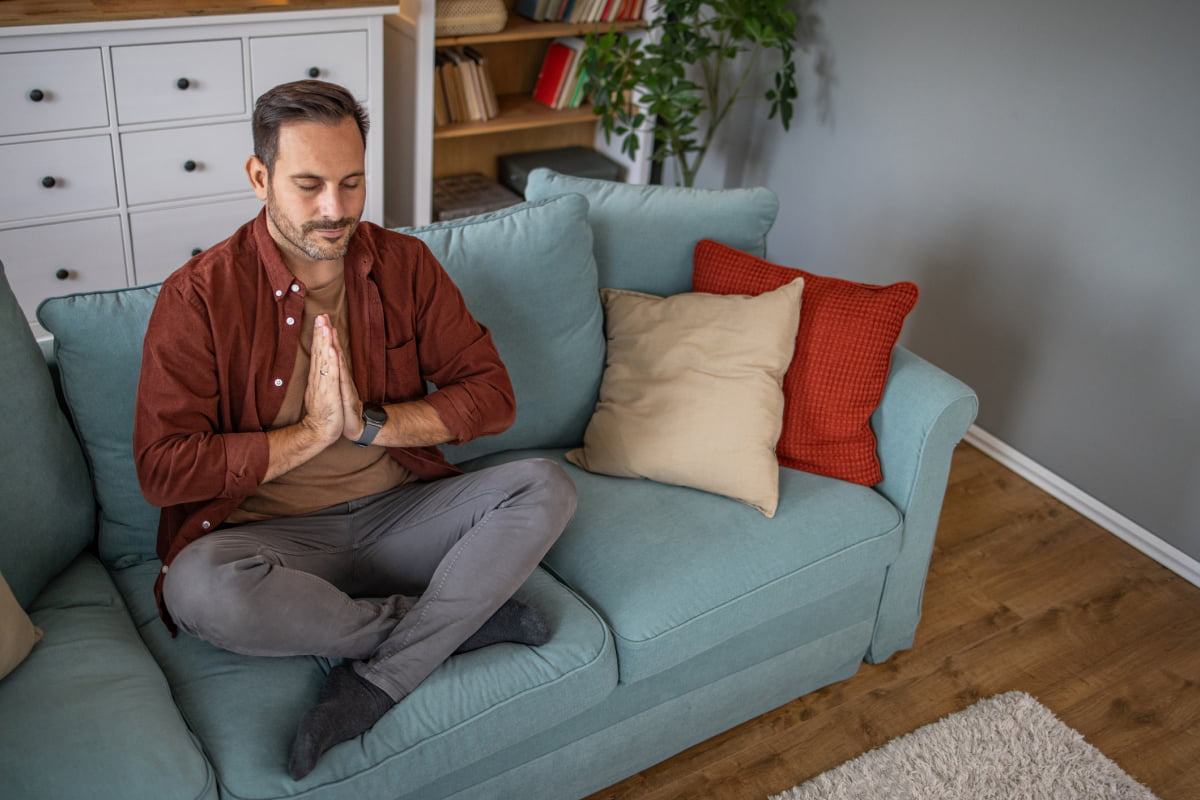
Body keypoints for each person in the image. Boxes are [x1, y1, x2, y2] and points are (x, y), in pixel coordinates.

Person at [133, 80, 577, 781]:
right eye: (308, 185)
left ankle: (374, 681)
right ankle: (452, 625)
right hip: (270, 543)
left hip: (401, 515)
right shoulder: (197, 297)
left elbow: (491, 397)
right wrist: (311, 433)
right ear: (259, 177)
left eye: (352, 182)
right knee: (198, 592)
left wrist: (370, 425)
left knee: (542, 485)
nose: (334, 209)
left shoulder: (406, 267)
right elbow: (163, 470)